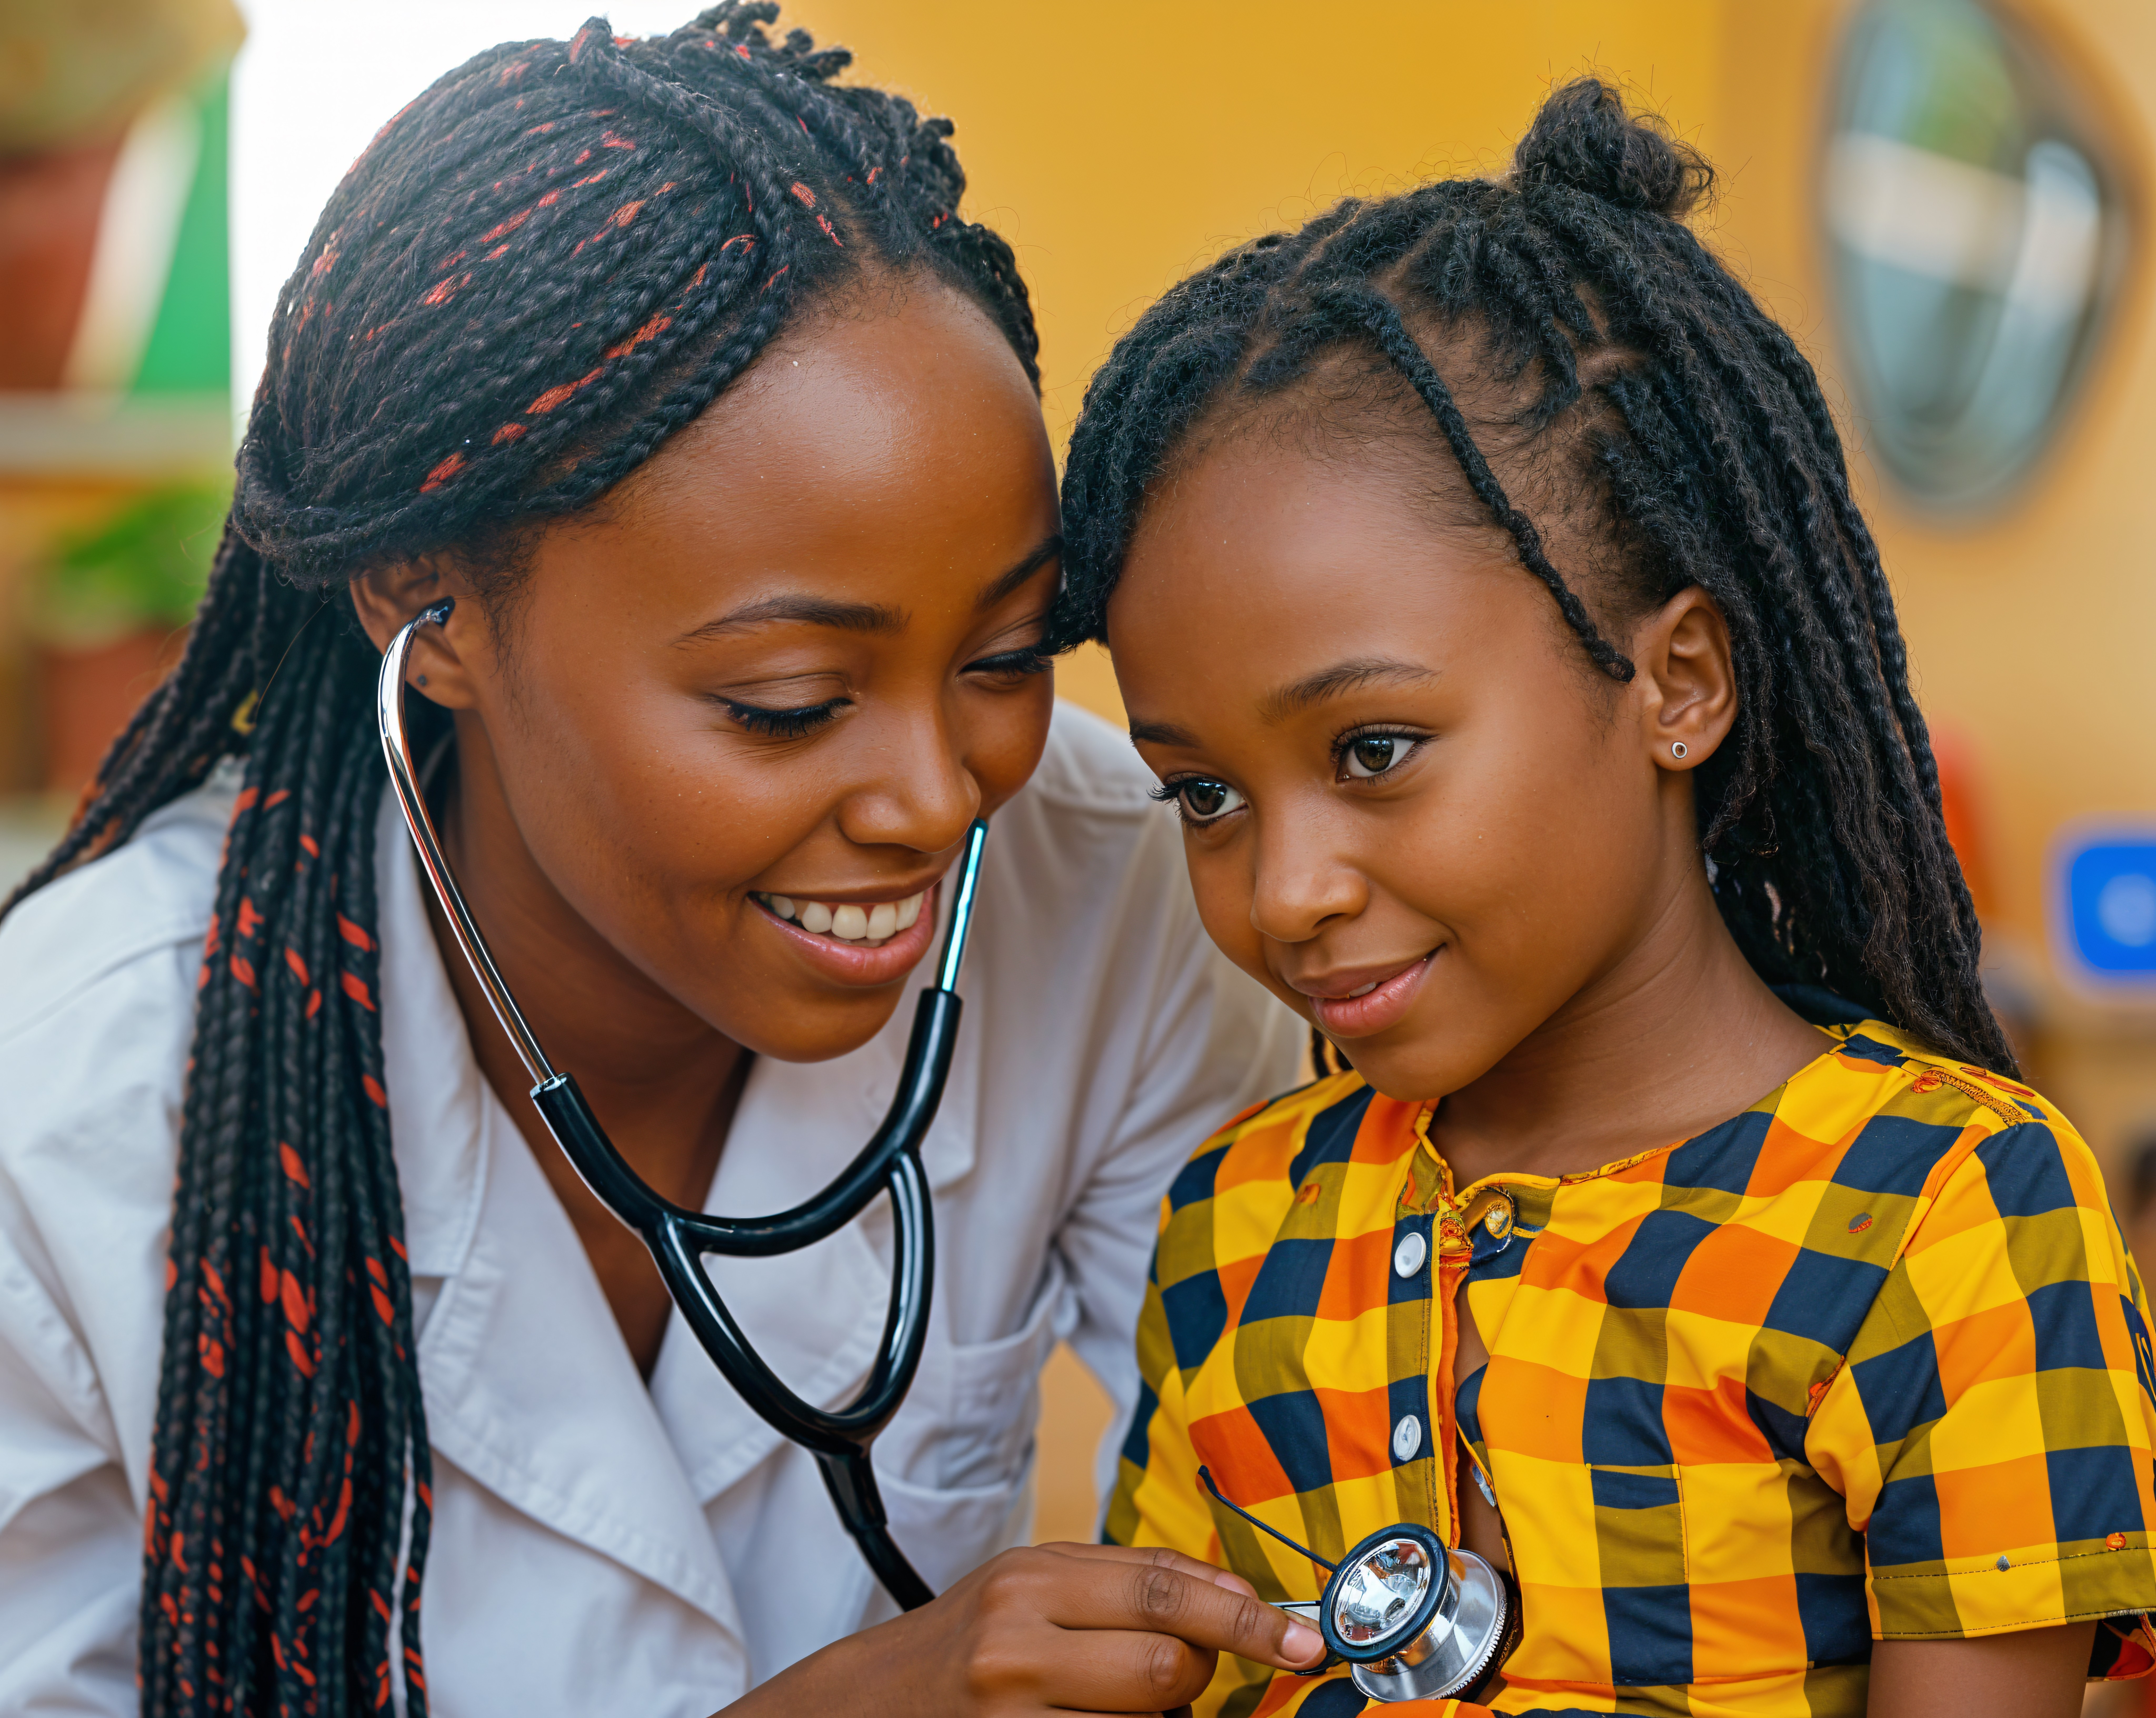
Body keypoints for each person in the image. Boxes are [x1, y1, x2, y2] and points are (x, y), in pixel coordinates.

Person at [0, 10, 1324, 1716]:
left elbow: (1301, 1481)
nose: (938, 794)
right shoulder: (71, 1096)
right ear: (430, 609)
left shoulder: (1113, 883)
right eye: (788, 703)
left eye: (1005, 657)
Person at [1054, 78, 2156, 1718]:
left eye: (1373, 748)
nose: (1284, 890)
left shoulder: (1947, 1215)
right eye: (1203, 794)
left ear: (1680, 683)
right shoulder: (1241, 1219)